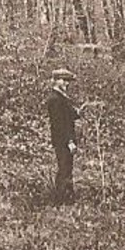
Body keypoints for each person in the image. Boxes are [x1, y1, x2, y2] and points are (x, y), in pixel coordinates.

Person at [46, 68, 81, 203]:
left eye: (68, 81)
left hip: (65, 139)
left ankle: (66, 197)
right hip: (62, 140)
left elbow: (68, 116)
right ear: (55, 81)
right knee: (64, 169)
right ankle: (62, 199)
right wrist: (69, 141)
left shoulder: (61, 97)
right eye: (64, 80)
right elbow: (59, 124)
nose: (67, 83)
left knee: (67, 168)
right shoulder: (55, 99)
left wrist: (77, 112)